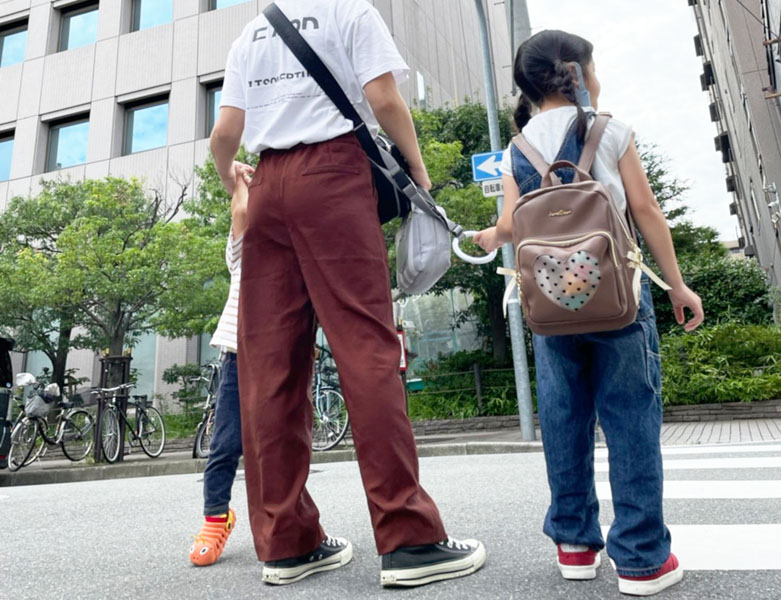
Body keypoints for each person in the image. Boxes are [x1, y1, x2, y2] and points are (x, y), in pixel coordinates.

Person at [209, 0, 485, 588]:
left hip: (266, 187)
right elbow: (384, 100)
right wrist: (418, 175)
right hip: (332, 176)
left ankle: (286, 545)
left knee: (269, 368)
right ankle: (410, 540)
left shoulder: (250, 34)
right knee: (367, 349)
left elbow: (224, 134)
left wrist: (230, 174)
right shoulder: (348, 12)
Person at [474, 30, 704, 596]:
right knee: (630, 418)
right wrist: (676, 286)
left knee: (563, 417)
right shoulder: (610, 129)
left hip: (553, 303)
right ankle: (643, 558)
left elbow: (511, 227)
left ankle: (575, 544)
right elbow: (646, 210)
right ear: (577, 73)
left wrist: (486, 236)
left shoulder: (518, 147)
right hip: (620, 297)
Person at [189, 163, 253, 567]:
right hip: (237, 354)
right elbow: (242, 213)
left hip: (282, 356)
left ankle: (285, 520)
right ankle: (216, 518)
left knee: (280, 444)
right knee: (226, 443)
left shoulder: (295, 254)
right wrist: (243, 182)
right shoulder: (241, 253)